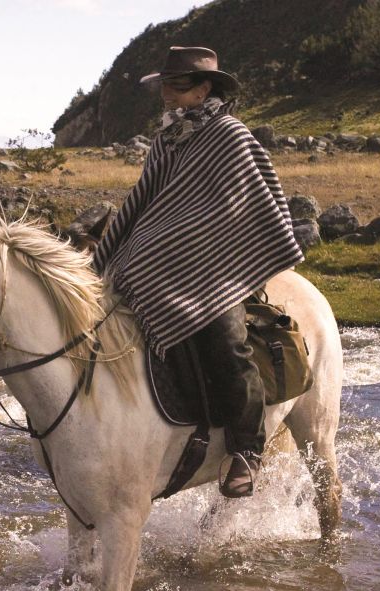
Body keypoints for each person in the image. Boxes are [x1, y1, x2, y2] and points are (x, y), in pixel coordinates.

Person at [91, 46, 305, 498]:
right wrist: (110, 254)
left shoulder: (231, 136)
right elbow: (145, 200)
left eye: (176, 86)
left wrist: (177, 240)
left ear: (204, 89)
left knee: (227, 345)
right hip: (163, 264)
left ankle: (246, 449)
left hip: (217, 268)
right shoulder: (167, 138)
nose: (166, 94)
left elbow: (237, 207)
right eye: (164, 86)